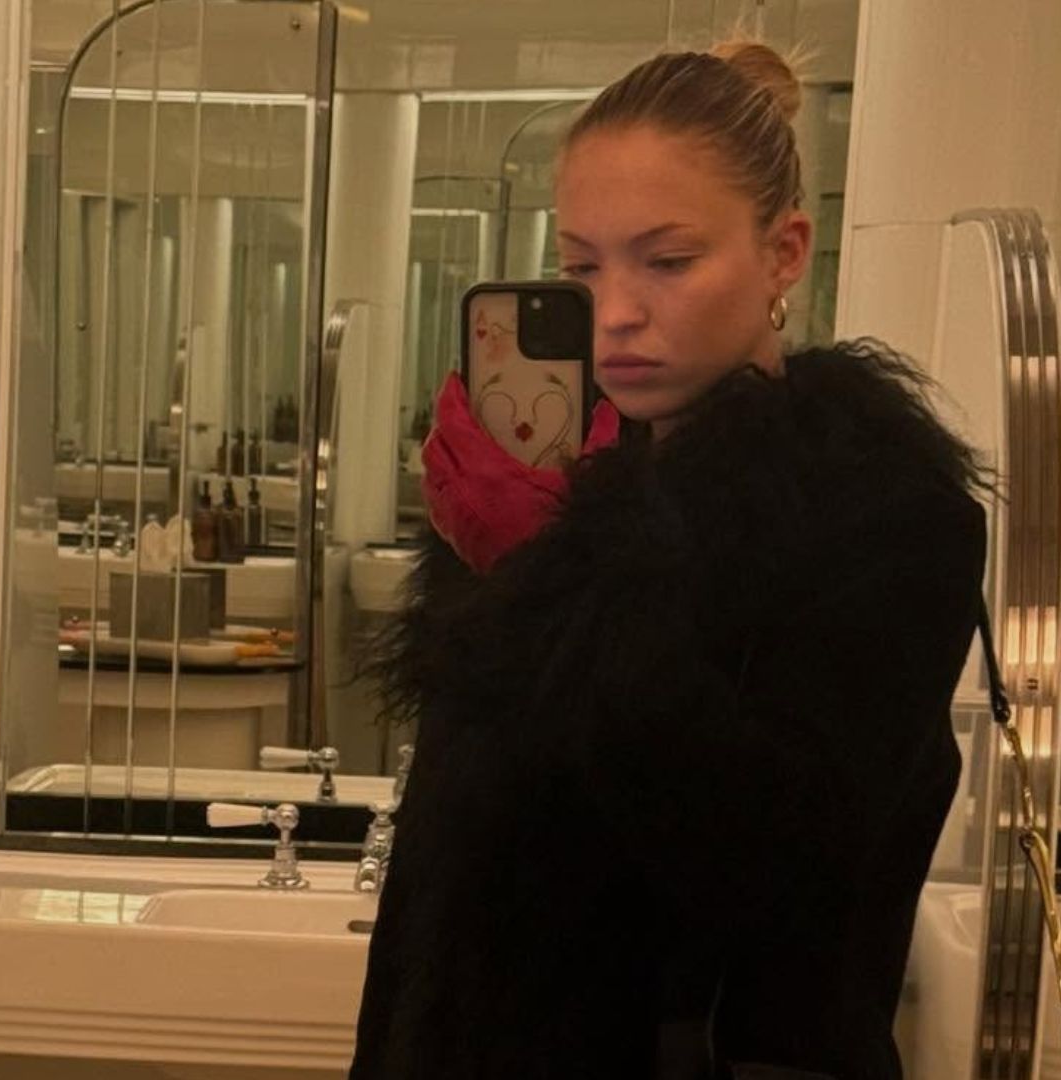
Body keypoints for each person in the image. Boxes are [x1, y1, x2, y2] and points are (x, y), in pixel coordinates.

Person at [350, 39, 989, 1080]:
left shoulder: (887, 517)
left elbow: (780, 875)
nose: (615, 313)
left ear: (784, 253)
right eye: (582, 267)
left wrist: (548, 574)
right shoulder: (560, 493)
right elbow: (443, 894)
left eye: (669, 261)